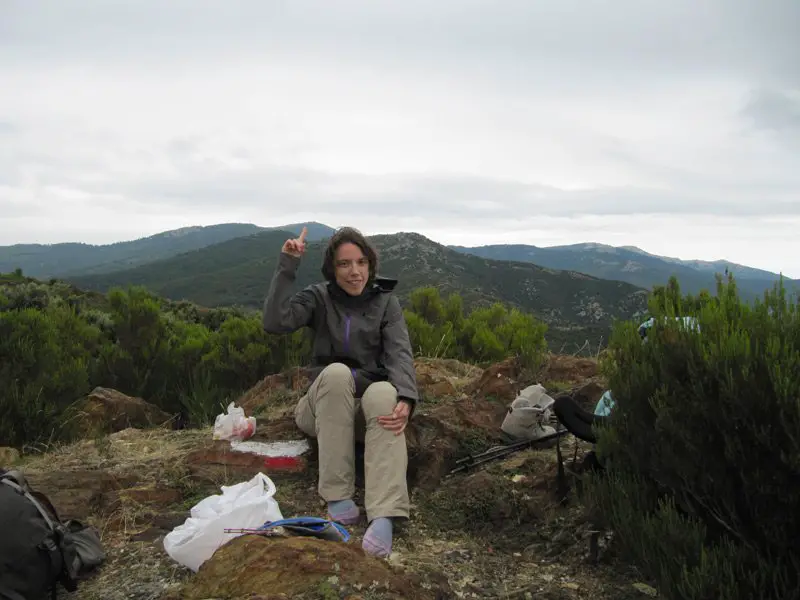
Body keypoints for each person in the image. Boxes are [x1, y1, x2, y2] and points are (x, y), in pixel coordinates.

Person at [262, 225, 419, 559]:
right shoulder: (319, 297)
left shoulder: (385, 303)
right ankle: (337, 493)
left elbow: (399, 353)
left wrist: (406, 396)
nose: (355, 271)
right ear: (332, 269)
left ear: (370, 264)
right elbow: (275, 321)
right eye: (345, 264)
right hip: (320, 410)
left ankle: (385, 514)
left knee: (383, 394)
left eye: (361, 262)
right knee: (335, 373)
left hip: (362, 414)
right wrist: (287, 264)